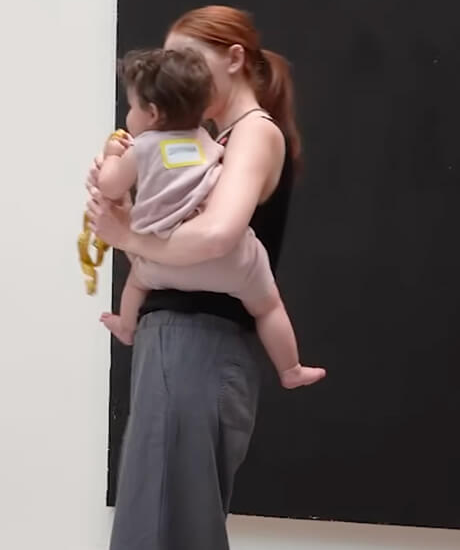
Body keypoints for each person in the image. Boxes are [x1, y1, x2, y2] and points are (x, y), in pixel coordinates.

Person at [88, 5, 301, 550]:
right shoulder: (211, 140)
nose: (174, 71)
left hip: (193, 347)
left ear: (234, 59)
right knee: (169, 525)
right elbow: (182, 246)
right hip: (186, 347)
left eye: (186, 58)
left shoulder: (252, 134)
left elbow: (216, 236)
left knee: (160, 530)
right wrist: (127, 212)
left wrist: (125, 234)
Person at [95, 47, 325, 389]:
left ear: (153, 113)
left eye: (132, 107)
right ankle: (290, 368)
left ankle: (126, 327)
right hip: (233, 263)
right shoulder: (210, 142)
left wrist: (112, 156)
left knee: (138, 281)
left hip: (165, 264)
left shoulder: (142, 149)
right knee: (268, 305)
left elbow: (110, 185)